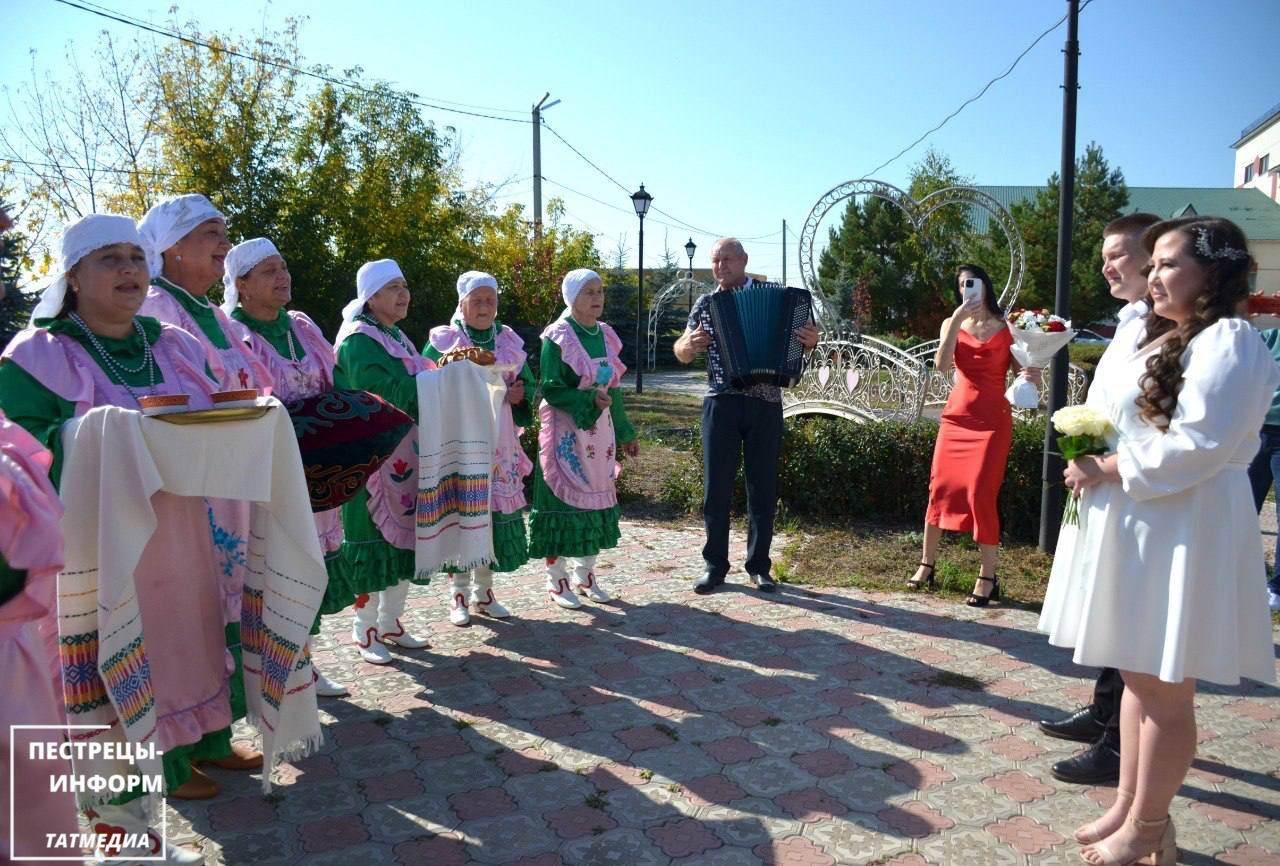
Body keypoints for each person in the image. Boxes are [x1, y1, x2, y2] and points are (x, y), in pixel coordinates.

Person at [1039, 216, 1279, 866]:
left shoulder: (1230, 339)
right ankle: (1131, 809)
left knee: (1166, 693)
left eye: (1169, 263)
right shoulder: (1177, 334)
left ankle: (1149, 828)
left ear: (1215, 271)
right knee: (1142, 681)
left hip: (1188, 525)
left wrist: (1106, 467)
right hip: (1154, 521)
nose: (1154, 275)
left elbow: (1199, 446)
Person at [0, 213, 231, 863]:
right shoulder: (35, 357)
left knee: (155, 685)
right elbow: (21, 460)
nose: (130, 268)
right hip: (94, 559)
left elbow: (213, 416)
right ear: (71, 277)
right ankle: (122, 845)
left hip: (175, 547)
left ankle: (142, 837)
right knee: (103, 698)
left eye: (136, 256)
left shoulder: (172, 346)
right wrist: (110, 438)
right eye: (109, 259)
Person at [137, 193, 266, 777]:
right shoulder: (157, 307)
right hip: (191, 488)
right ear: (170, 248)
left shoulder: (212, 312)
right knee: (182, 616)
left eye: (223, 231)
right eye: (210, 232)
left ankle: (213, 738)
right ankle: (174, 756)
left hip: (230, 479)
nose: (223, 242)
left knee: (220, 614)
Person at [1038, 213, 1161, 786]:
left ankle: (1118, 741)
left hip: (1135, 489)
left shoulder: (1165, 329)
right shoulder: (1130, 321)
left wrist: (1102, 462)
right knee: (1107, 599)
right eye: (1103, 257)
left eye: (1116, 255)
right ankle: (1105, 709)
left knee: (1126, 608)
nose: (1107, 266)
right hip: (1106, 481)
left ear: (1150, 257)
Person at [222, 236, 348, 697]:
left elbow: (338, 383)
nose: (283, 277)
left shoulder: (300, 326)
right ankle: (279, 670)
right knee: (275, 567)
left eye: (284, 267)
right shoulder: (233, 335)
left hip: (315, 469)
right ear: (242, 284)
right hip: (268, 471)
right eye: (269, 271)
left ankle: (303, 662)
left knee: (307, 564)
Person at [672, 238, 819, 594]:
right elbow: (681, 351)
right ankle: (715, 566)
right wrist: (688, 345)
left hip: (766, 403)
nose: (720, 266)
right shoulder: (708, 304)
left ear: (743, 260)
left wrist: (812, 340)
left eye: (726, 259)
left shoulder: (786, 301)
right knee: (716, 487)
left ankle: (759, 566)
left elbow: (808, 339)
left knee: (762, 486)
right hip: (721, 402)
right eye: (715, 260)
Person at [906, 264, 1039, 605]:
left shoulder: (1008, 328)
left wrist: (1032, 374)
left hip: (993, 420)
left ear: (986, 285)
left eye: (972, 283)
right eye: (962, 284)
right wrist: (954, 320)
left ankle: (987, 576)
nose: (967, 288)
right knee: (940, 488)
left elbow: (1022, 378)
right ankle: (927, 564)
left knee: (981, 492)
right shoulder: (952, 323)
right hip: (956, 419)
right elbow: (940, 364)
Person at [330, 259, 433, 664]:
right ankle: (365, 629)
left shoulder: (398, 337)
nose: (403, 294)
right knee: (369, 538)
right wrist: (432, 382)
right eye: (393, 288)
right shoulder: (359, 340)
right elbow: (376, 391)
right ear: (370, 297)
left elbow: (415, 380)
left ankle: (391, 622)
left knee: (405, 536)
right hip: (371, 457)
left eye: (405, 286)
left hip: (405, 453)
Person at [423, 271, 535, 625]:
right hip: (460, 438)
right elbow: (426, 379)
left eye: (491, 300)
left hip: (499, 440)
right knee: (463, 513)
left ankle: (484, 593)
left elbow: (526, 382)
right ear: (462, 303)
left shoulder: (508, 340)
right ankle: (458, 595)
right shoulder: (446, 339)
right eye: (478, 300)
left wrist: (520, 395)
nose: (485, 306)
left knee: (490, 517)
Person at [527, 268, 638, 609]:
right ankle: (557, 579)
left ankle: (585, 574)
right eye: (589, 292)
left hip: (599, 435)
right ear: (572, 298)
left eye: (600, 291)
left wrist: (626, 433)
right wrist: (587, 400)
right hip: (566, 433)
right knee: (561, 504)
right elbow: (550, 387)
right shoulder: (557, 336)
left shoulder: (605, 334)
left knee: (596, 498)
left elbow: (614, 390)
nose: (597, 298)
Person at [1245, 302, 1280, 610]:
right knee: (1241, 506)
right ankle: (1235, 575)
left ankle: (1277, 587)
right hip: (1257, 432)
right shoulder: (1267, 338)